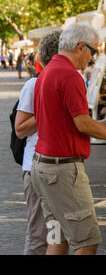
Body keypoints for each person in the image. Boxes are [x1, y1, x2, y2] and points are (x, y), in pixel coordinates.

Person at [30, 24, 106, 255]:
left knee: (57, 238)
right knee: (87, 241)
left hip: (44, 168)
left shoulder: (47, 71)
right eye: (93, 51)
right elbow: (83, 124)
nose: (93, 57)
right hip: (63, 172)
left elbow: (66, 122)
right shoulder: (70, 75)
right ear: (80, 47)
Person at [15, 30, 61, 255]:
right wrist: (48, 112)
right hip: (36, 169)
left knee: (56, 235)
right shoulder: (33, 85)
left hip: (60, 171)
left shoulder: (70, 83)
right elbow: (20, 129)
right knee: (38, 236)